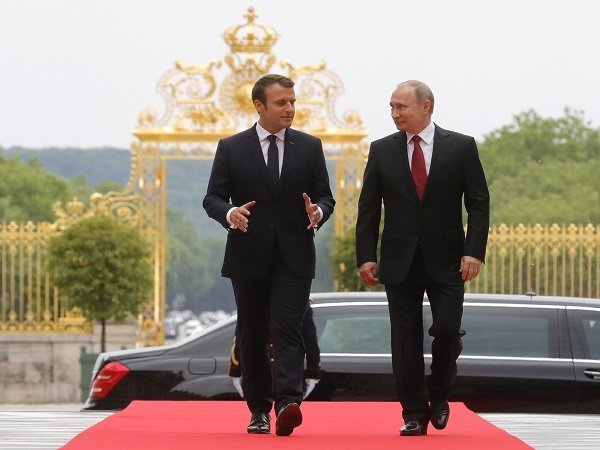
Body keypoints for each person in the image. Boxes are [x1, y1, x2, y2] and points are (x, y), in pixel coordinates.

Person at [355, 80, 489, 436]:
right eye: (392, 107)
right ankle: (414, 412)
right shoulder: (381, 150)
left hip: (449, 260)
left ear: (425, 106)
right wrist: (366, 256)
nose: (395, 113)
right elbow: (368, 209)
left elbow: (478, 203)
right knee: (405, 341)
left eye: (402, 107)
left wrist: (473, 251)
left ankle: (439, 393)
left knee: (446, 330)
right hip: (398, 260)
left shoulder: (460, 147)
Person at [203, 74, 335, 436]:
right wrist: (230, 213)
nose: (290, 108)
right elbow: (212, 198)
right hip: (248, 254)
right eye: (281, 102)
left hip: (295, 254)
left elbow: (325, 197)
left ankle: (289, 402)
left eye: (292, 101)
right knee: (252, 332)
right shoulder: (231, 148)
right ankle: (259, 408)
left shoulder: (309, 147)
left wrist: (318, 212)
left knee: (289, 327)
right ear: (259, 106)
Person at [228, 303, 322, 400]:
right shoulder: (297, 300)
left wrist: (236, 369)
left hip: (258, 372)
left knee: (259, 406)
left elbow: (241, 335)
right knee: (287, 404)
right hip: (289, 373)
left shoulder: (253, 298)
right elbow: (310, 340)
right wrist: (313, 371)